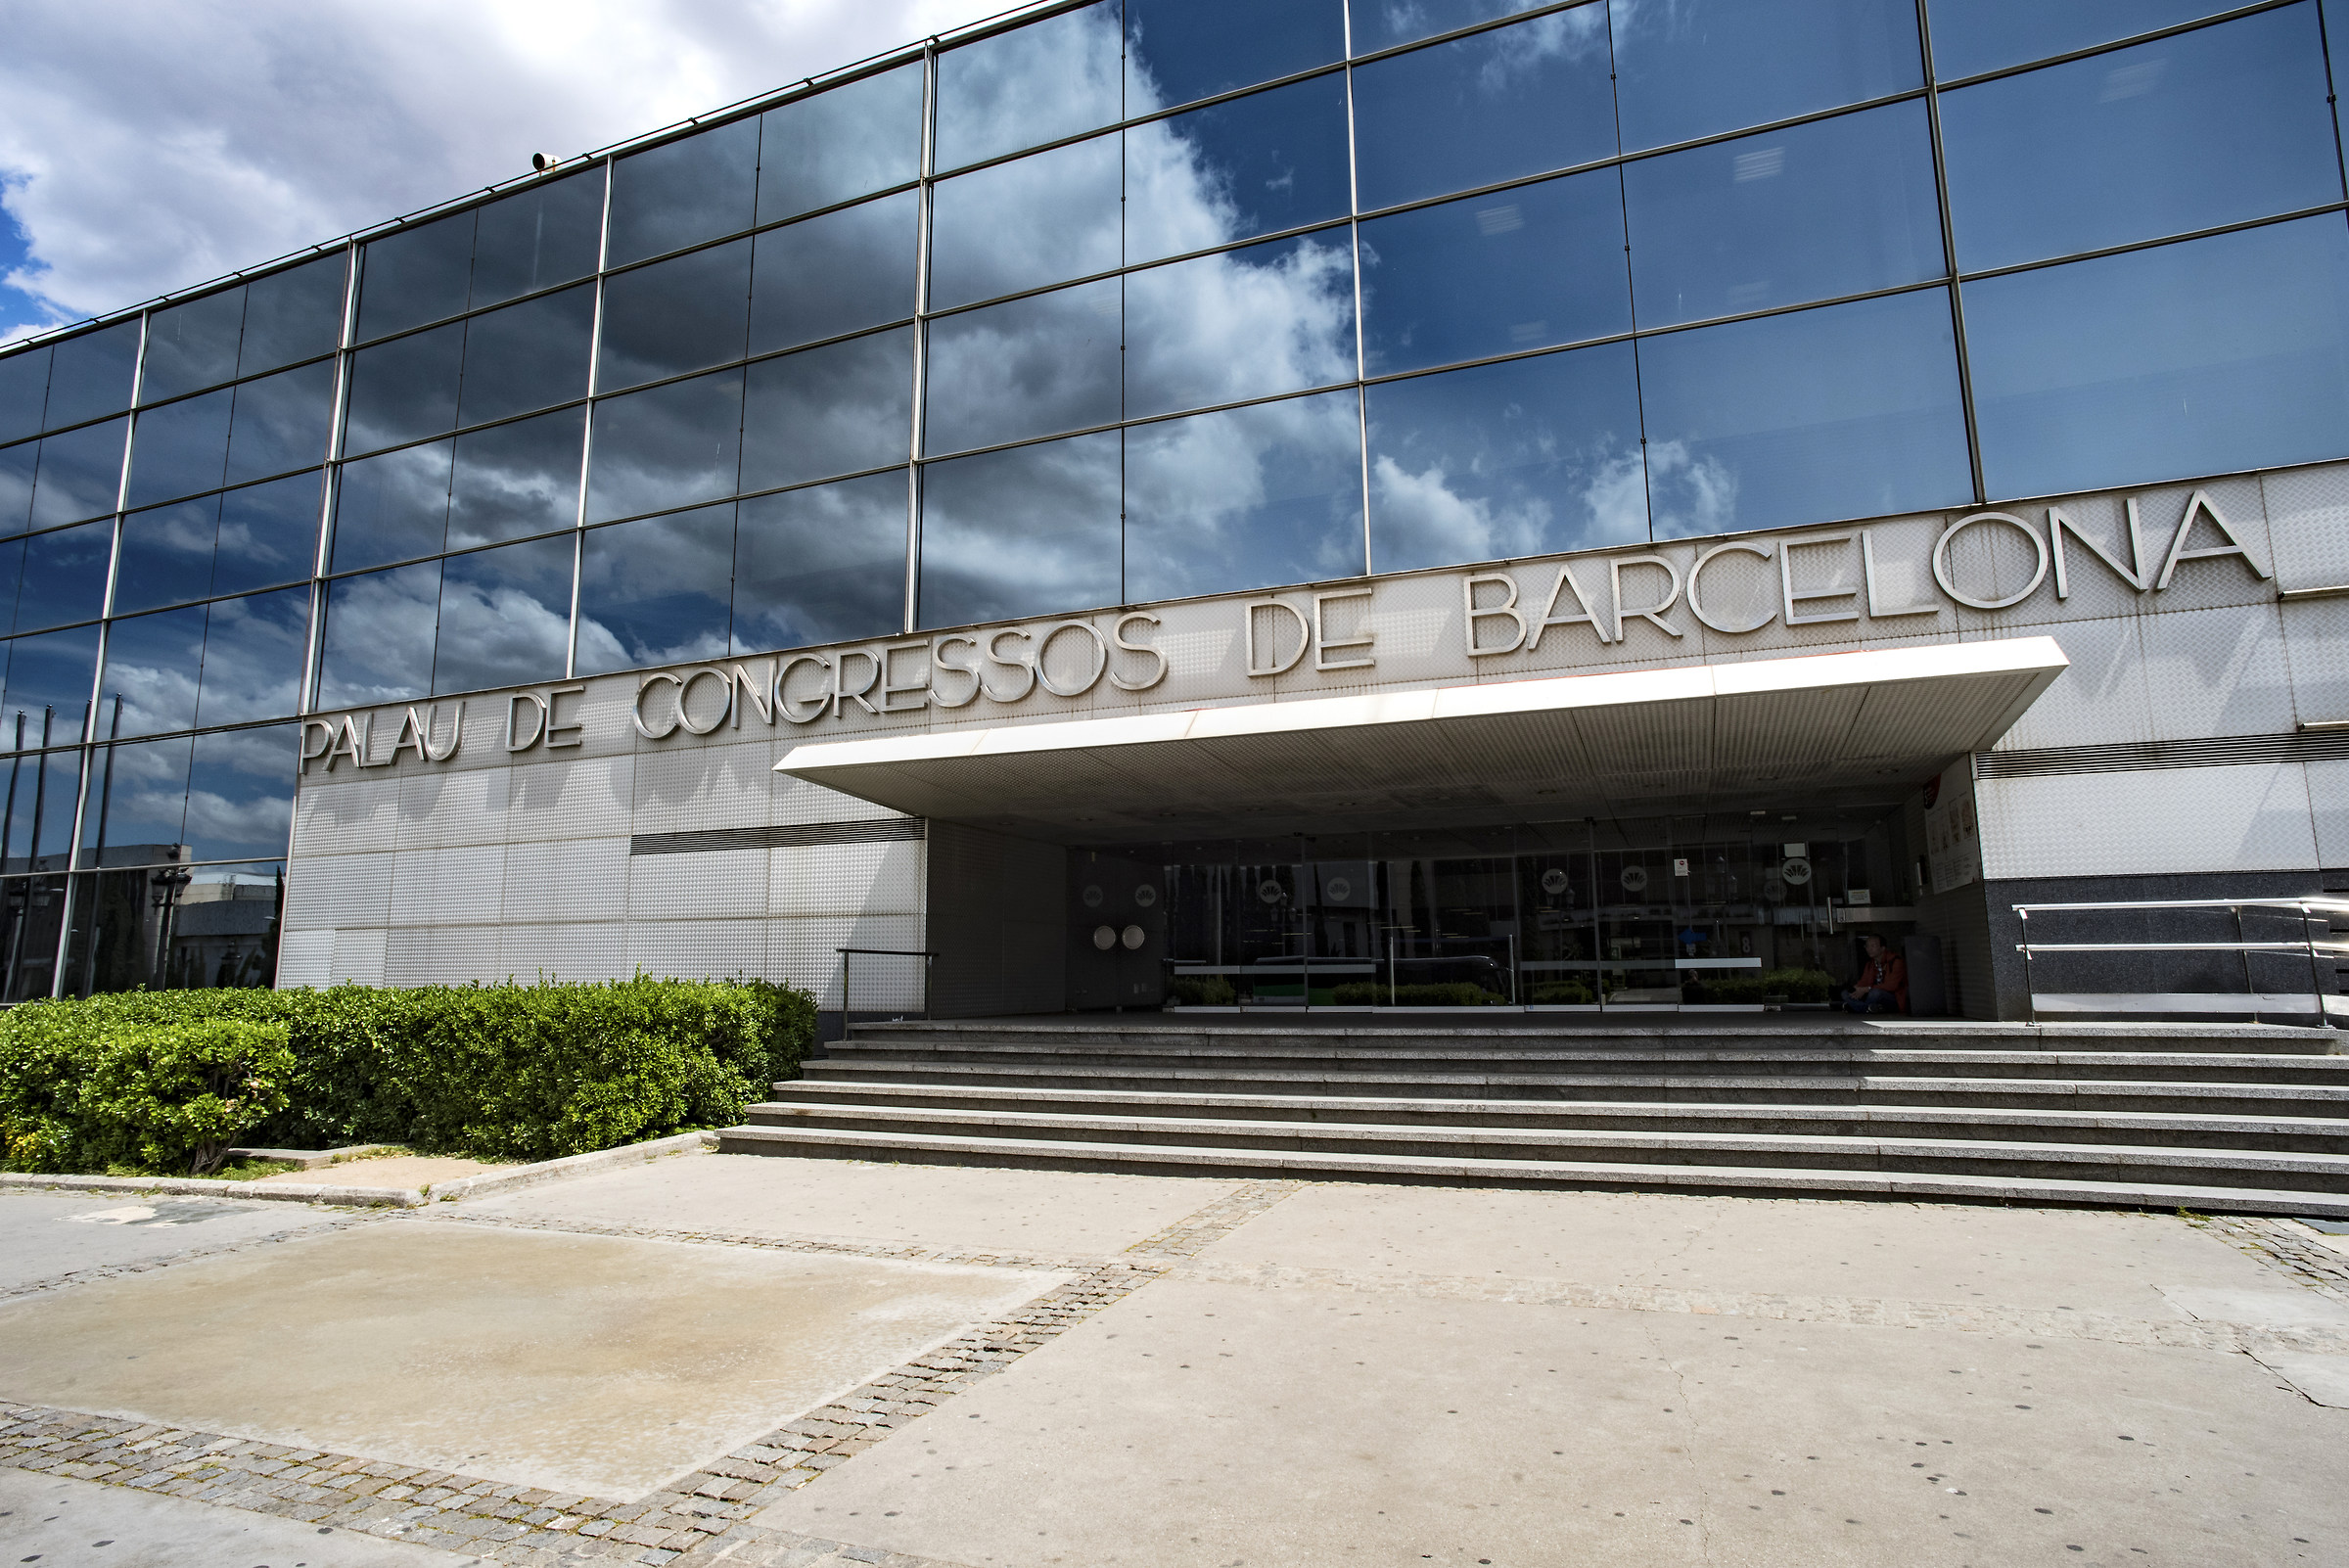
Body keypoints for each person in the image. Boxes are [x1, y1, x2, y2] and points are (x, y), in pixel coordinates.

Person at [1844, 934, 1908, 1014]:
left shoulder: (1896, 961)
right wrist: (1856, 989)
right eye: (1867, 946)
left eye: (1873, 946)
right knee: (1846, 993)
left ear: (1882, 948)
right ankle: (1868, 1008)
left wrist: (1867, 989)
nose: (1869, 949)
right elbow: (1864, 981)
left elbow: (1892, 986)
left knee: (1875, 993)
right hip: (1872, 994)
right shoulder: (1870, 964)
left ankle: (1859, 1007)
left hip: (1893, 997)